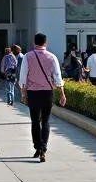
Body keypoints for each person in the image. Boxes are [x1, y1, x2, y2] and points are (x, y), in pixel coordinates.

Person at [18, 33, 64, 163]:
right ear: (45, 43)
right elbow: (57, 77)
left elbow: (23, 77)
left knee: (34, 121)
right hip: (47, 93)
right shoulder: (52, 57)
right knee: (45, 121)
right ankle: (43, 148)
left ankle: (37, 147)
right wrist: (62, 94)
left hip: (33, 93)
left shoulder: (28, 56)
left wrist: (23, 93)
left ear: (34, 43)